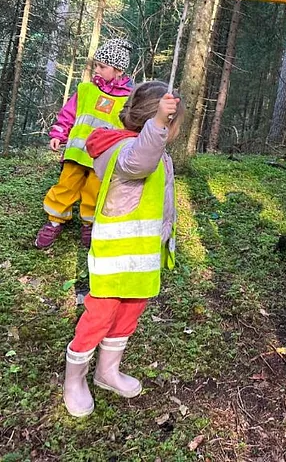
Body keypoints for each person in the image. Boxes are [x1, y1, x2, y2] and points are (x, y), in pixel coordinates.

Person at [62, 81, 183, 418]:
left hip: (141, 258)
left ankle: (107, 372)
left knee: (128, 316)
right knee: (97, 319)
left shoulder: (150, 150)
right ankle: (74, 380)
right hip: (115, 258)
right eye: (171, 124)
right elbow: (139, 163)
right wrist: (158, 124)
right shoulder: (123, 150)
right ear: (155, 121)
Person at [35, 39, 134, 249]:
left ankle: (89, 223)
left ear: (118, 70)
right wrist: (58, 133)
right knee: (66, 185)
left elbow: (130, 127)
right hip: (77, 153)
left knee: (95, 191)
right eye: (96, 65)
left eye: (102, 66)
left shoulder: (129, 99)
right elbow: (68, 114)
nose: (96, 70)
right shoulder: (86, 89)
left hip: (103, 159)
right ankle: (54, 220)